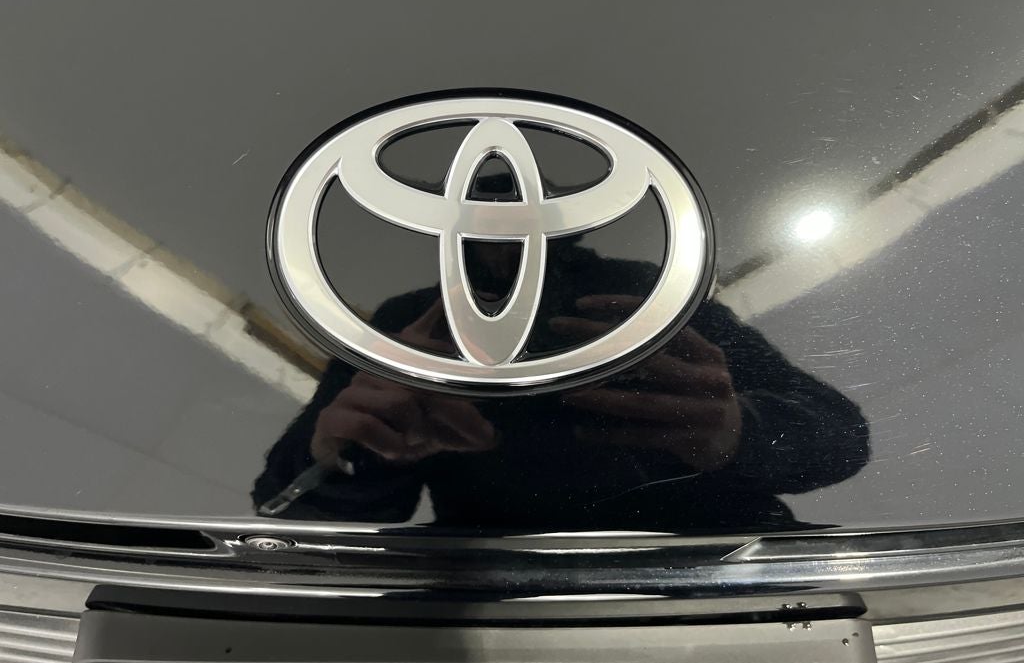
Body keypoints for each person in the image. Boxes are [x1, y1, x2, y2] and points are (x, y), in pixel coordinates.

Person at [253, 242, 869, 532]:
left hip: (721, 567)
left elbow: (839, 437)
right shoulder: (413, 317)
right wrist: (360, 450)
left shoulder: (645, 289)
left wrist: (735, 429)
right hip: (486, 589)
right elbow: (290, 506)